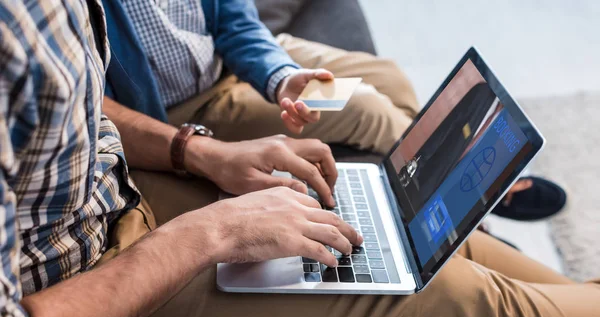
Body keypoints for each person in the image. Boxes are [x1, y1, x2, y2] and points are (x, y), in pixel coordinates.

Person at [3, 2, 599, 317]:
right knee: (433, 293)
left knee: (398, 223)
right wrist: (206, 234)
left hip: (119, 201)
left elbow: (85, 107)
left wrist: (197, 152)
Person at [102, 0, 565, 222]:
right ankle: (471, 198)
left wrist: (280, 76)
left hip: (235, 61)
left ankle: (431, 190)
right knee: (369, 109)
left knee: (388, 77)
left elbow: (234, 19)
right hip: (183, 107)